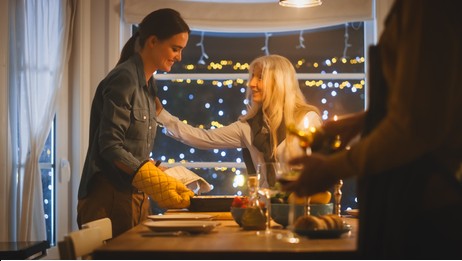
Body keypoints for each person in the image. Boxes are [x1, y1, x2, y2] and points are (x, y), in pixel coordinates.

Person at [284, 0, 462, 259]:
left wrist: (334, 167)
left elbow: (413, 128)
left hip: (421, 208)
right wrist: (362, 121)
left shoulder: (424, 7)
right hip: (409, 201)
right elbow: (427, 101)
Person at [78, 8, 194, 238]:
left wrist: (156, 170)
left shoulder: (149, 85)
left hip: (134, 195)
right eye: (175, 48)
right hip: (110, 196)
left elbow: (130, 149)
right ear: (152, 41)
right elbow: (110, 146)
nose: (179, 57)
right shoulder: (125, 79)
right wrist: (150, 175)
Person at [155, 54, 322, 187]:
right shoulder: (248, 126)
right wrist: (162, 115)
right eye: (252, 77)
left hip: (301, 205)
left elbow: (321, 169)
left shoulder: (307, 120)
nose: (251, 83)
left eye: (260, 77)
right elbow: (204, 138)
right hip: (264, 207)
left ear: (279, 82)